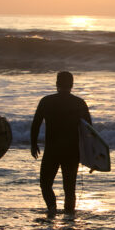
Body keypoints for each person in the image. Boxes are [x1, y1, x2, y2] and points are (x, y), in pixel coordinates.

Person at [30, 71, 91, 217]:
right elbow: (89, 130)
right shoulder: (79, 103)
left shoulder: (46, 101)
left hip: (52, 150)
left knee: (45, 184)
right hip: (72, 151)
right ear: (71, 85)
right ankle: (69, 218)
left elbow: (36, 124)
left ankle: (52, 209)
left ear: (57, 84)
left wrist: (33, 143)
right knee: (69, 189)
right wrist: (91, 156)